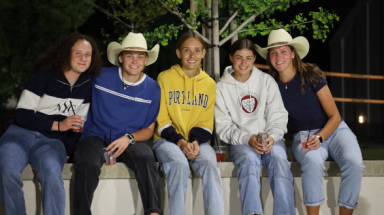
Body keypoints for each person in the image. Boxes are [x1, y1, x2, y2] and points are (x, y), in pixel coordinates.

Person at [256, 28, 365, 215]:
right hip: (303, 136)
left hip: (336, 130)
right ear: (269, 57)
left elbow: (335, 116)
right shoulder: (270, 86)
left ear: (292, 53)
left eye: (283, 51)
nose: (278, 56)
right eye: (273, 52)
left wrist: (321, 137)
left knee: (354, 164)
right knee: (312, 162)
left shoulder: (310, 75)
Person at [0, 33, 101, 215]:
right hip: (20, 134)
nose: (83, 58)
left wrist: (69, 151)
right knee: (6, 170)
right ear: (66, 53)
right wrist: (58, 125)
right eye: (78, 53)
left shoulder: (89, 84)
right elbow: (22, 114)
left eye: (88, 54)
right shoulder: (44, 75)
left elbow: (77, 127)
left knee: (53, 176)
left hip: (52, 142)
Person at [73, 32, 162, 215]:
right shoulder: (99, 76)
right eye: (129, 55)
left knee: (146, 158)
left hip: (129, 140)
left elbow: (149, 130)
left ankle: (153, 212)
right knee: (87, 161)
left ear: (146, 60)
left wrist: (128, 138)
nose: (134, 61)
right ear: (120, 57)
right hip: (96, 136)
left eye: (140, 56)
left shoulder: (153, 88)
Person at [215, 39, 295, 215]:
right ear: (231, 57)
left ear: (254, 59)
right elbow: (223, 127)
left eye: (248, 58)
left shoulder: (266, 81)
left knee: (279, 158)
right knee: (249, 162)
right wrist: (247, 139)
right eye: (239, 57)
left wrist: (272, 136)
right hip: (240, 142)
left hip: (269, 139)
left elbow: (278, 115)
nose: (244, 63)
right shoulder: (220, 88)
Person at [152, 31, 224, 215]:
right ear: (178, 53)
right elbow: (161, 119)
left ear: (203, 53)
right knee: (179, 165)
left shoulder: (209, 84)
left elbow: (206, 122)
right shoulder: (165, 77)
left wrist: (192, 142)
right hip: (166, 140)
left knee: (209, 162)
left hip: (196, 142)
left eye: (197, 50)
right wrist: (181, 142)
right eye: (186, 50)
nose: (192, 55)